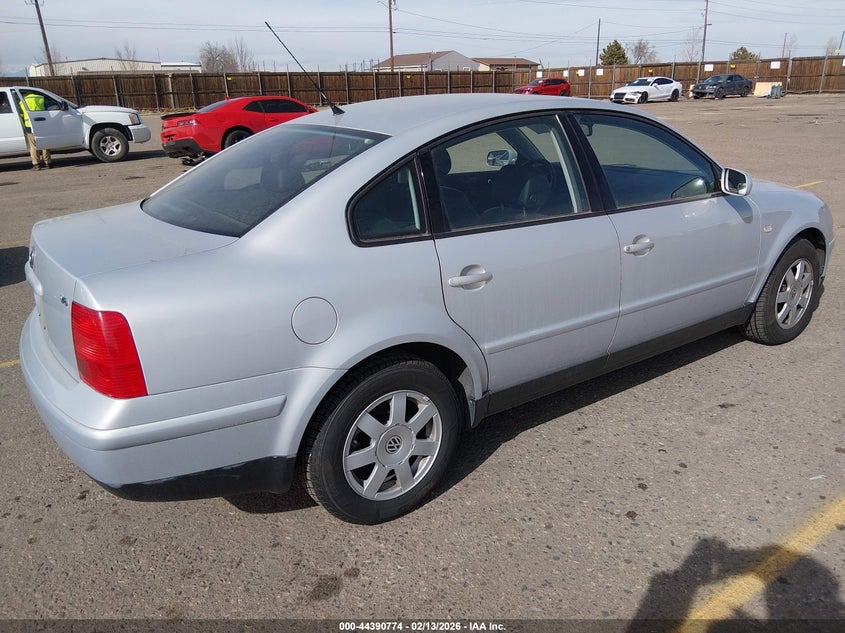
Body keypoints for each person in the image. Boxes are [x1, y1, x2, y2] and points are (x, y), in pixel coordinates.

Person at [20, 91, 52, 170]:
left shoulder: (22, 101)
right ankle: (48, 163)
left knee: (33, 146)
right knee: (45, 144)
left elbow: (21, 114)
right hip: (42, 124)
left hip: (29, 125)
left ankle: (36, 164)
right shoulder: (40, 98)